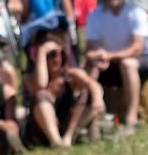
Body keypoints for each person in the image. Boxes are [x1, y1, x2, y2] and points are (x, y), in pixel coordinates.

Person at [84, 0, 148, 134]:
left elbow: (136, 48)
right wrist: (96, 57)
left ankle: (131, 118)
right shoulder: (95, 15)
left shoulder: (136, 12)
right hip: (111, 62)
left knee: (128, 64)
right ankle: (91, 118)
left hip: (143, 60)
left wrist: (109, 56)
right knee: (90, 67)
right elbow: (91, 47)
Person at [23, 16, 104, 147]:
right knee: (41, 95)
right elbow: (41, 85)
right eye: (50, 55)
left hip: (65, 127)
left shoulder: (71, 74)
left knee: (85, 92)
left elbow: (93, 85)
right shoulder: (29, 77)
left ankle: (68, 138)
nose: (54, 59)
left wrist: (97, 98)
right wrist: (43, 52)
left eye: (57, 53)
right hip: (40, 133)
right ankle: (56, 141)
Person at [0, 46, 24, 155]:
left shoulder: (6, 91)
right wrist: (0, 124)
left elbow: (10, 120)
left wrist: (10, 126)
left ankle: (13, 147)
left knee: (12, 127)